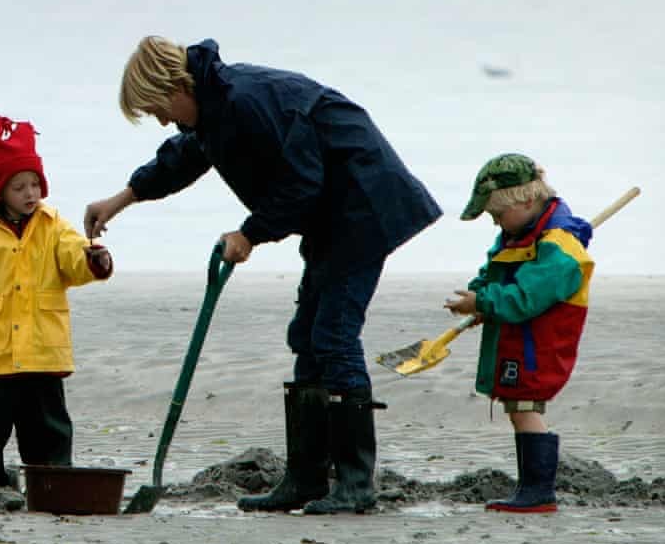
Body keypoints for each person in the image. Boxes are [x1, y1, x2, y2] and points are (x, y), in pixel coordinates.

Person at [83, 37, 441, 514]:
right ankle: (307, 480)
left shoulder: (245, 101)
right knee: (307, 336)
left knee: (333, 336)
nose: (163, 121)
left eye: (157, 109)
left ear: (176, 85)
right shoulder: (215, 107)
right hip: (333, 215)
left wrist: (249, 234)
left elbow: (302, 182)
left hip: (365, 205)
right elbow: (183, 157)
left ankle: (356, 485)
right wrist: (119, 200)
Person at [0, 115, 113, 487]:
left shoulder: (55, 227)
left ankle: (51, 479)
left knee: (48, 428)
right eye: (19, 186)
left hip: (43, 354)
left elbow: (73, 259)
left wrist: (93, 259)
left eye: (35, 184)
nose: (30, 194)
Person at [444, 153, 593, 514]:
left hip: (537, 342)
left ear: (526, 200)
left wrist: (486, 302)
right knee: (518, 407)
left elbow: (527, 297)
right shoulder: (519, 233)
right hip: (516, 335)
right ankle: (532, 489)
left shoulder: (559, 247)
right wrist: (480, 297)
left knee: (525, 405)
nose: (496, 223)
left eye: (497, 214)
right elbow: (496, 271)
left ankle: (538, 492)